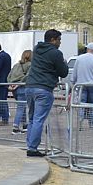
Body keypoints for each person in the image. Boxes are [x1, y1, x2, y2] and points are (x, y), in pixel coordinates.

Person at [23, 29, 69, 157]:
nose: (60, 43)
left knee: (31, 118)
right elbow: (63, 72)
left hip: (30, 86)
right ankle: (32, 148)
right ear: (53, 40)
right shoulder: (56, 53)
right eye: (59, 40)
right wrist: (64, 62)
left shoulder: (37, 49)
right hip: (44, 88)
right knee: (38, 119)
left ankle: (30, 145)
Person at [70, 42, 93, 127]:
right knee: (92, 104)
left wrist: (72, 82)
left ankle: (80, 122)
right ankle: (91, 122)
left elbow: (74, 72)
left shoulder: (79, 58)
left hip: (81, 84)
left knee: (81, 103)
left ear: (87, 49)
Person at [7, 49, 32, 134]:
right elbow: (28, 76)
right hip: (22, 87)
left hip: (14, 89)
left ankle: (25, 125)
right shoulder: (30, 65)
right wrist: (20, 83)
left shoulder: (16, 65)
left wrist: (10, 84)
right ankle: (16, 126)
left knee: (21, 106)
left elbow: (9, 75)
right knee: (21, 108)